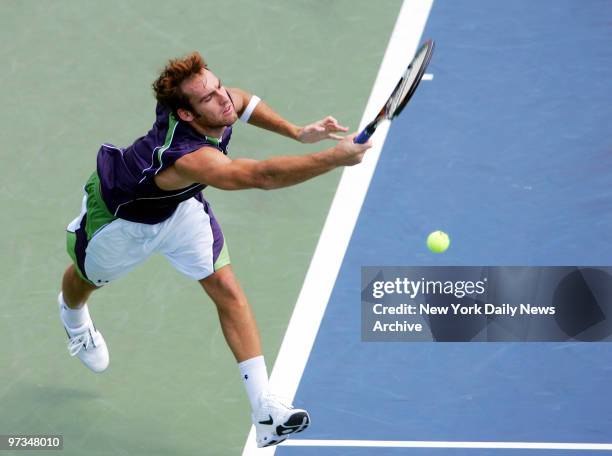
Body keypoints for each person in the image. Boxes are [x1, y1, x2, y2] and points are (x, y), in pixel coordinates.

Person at [59, 51, 372, 447]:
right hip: (121, 223)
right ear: (188, 115)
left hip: (179, 211)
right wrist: (333, 158)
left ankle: (266, 411)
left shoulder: (218, 103)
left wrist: (297, 131)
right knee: (86, 279)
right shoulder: (189, 157)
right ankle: (73, 319)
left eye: (216, 85)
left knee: (227, 290)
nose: (222, 98)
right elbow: (261, 176)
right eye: (207, 98)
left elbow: (242, 99)